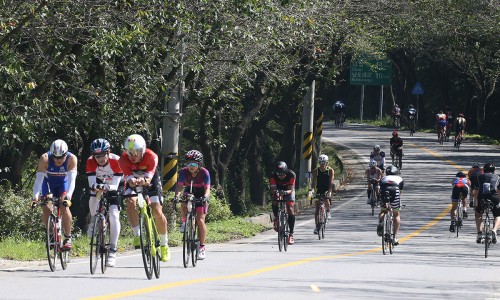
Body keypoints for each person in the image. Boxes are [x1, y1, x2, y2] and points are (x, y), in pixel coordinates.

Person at [119, 134, 170, 262]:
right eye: (130, 152)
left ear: (143, 150)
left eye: (137, 152)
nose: (134, 155)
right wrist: (132, 181)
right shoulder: (123, 160)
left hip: (151, 180)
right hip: (134, 180)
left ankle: (164, 244)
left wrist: (144, 180)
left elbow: (148, 180)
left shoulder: (151, 156)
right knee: (130, 201)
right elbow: (129, 180)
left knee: (157, 211)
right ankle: (137, 234)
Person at [31, 139, 77, 251]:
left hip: (63, 183)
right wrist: (35, 198)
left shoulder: (72, 159)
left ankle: (67, 237)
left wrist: (68, 197)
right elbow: (39, 180)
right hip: (47, 183)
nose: (58, 160)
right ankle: (50, 233)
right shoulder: (45, 159)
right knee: (46, 207)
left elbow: (72, 181)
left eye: (61, 157)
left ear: (66, 154)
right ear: (52, 154)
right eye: (56, 157)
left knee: (64, 206)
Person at [86, 138, 123, 267]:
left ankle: (113, 249)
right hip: (101, 183)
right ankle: (94, 220)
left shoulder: (116, 160)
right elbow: (91, 182)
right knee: (92, 197)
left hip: (116, 184)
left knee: (113, 215)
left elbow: (116, 184)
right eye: (97, 156)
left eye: (102, 155)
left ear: (108, 153)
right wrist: (95, 187)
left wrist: (109, 187)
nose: (100, 159)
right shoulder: (90, 161)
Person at [173, 150, 211, 260]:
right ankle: (185, 222)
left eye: (194, 164)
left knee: (200, 220)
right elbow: (179, 186)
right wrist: (176, 196)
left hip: (201, 193)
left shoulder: (204, 172)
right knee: (183, 201)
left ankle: (202, 247)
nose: (191, 166)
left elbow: (207, 188)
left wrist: (205, 197)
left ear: (199, 164)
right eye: (189, 164)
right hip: (189, 190)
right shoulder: (183, 172)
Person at [269, 161, 296, 245]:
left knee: (289, 207)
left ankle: (291, 234)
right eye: (279, 174)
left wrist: (285, 193)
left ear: (286, 171)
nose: (281, 175)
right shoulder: (272, 175)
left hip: (288, 190)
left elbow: (290, 189)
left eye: (283, 173)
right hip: (277, 188)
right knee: (274, 200)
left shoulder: (291, 175)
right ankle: (277, 218)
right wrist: (276, 192)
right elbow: (273, 188)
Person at [377, 165, 404, 245]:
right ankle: (395, 237)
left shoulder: (383, 178)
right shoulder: (399, 179)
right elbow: (400, 192)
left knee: (383, 210)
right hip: (395, 190)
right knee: (396, 214)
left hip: (384, 190)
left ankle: (381, 222)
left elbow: (379, 189)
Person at [475, 163, 500, 244]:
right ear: (494, 170)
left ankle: (479, 233)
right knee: (497, 215)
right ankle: (494, 230)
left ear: (484, 170)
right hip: (493, 197)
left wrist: (475, 203)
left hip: (482, 197)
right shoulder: (498, 177)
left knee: (478, 214)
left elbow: (476, 192)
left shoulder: (479, 177)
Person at [310, 154, 334, 234]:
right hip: (319, 189)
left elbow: (331, 182)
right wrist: (312, 191)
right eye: (321, 162)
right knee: (317, 208)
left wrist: (329, 191)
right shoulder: (316, 171)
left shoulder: (330, 170)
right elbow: (313, 182)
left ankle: (328, 212)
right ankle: (317, 227)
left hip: (327, 189)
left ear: (327, 163)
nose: (322, 164)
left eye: (324, 162)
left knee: (326, 200)